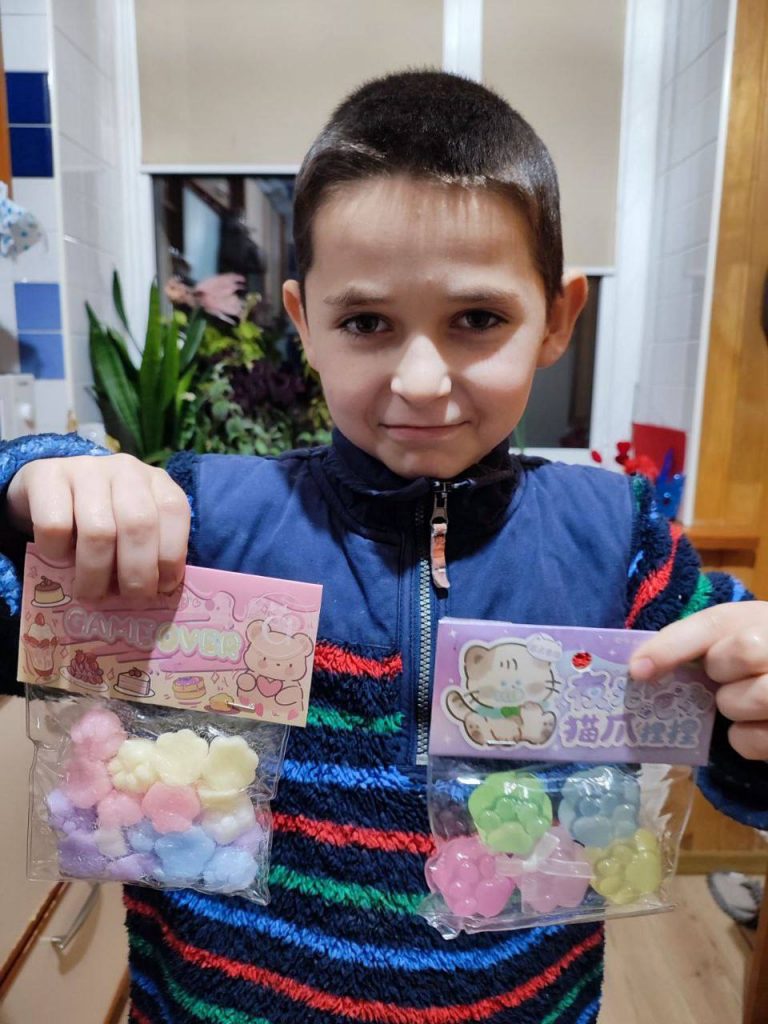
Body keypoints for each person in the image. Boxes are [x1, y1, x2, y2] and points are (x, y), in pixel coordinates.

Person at [1, 70, 767, 1024]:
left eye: (477, 320)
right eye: (367, 322)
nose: (421, 380)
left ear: (559, 318)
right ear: (303, 323)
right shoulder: (198, 527)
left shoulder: (623, 543)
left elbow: (743, 763)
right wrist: (33, 480)